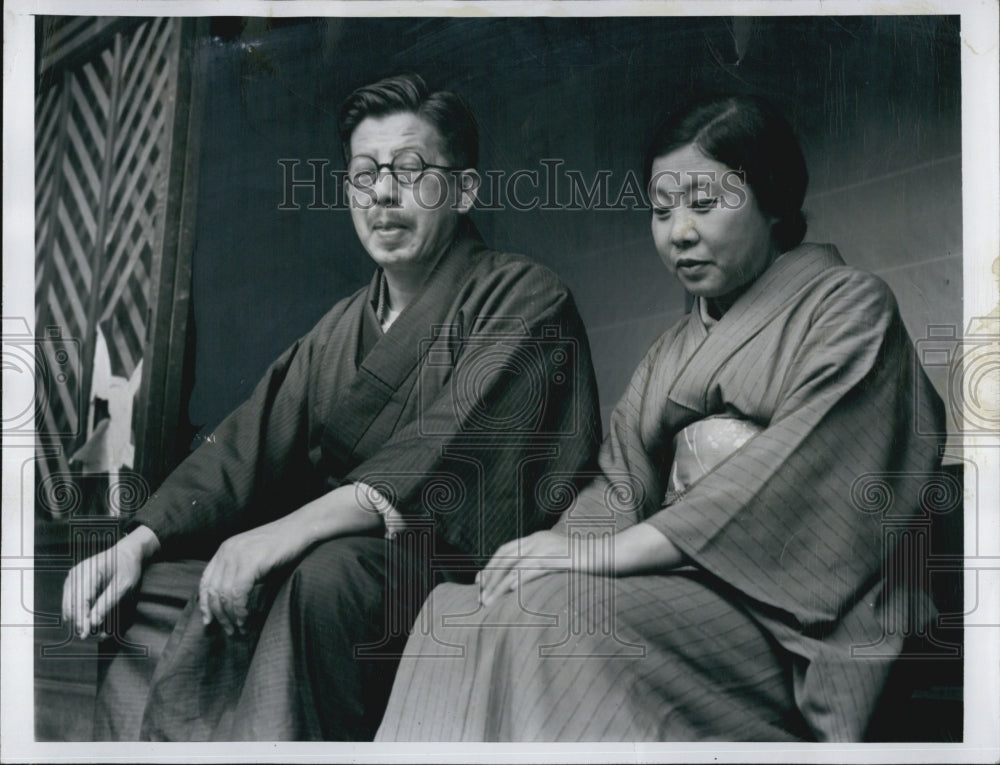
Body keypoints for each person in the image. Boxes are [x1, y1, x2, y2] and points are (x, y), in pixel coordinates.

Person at [374, 95, 946, 743]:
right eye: (661, 209)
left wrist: (607, 556)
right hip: (677, 582)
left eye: (703, 204)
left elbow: (800, 471)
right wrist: (553, 551)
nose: (678, 231)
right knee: (461, 610)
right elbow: (619, 485)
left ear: (775, 199)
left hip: (791, 615)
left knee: (557, 612)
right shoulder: (669, 352)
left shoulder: (850, 307)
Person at [61, 73, 602, 741]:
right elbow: (243, 444)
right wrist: (138, 539)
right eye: (364, 173)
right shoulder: (341, 327)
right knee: (145, 590)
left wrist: (285, 532)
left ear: (464, 189)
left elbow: (446, 446)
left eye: (410, 169)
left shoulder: (525, 295)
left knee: (326, 576)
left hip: (451, 562)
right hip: (333, 553)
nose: (382, 193)